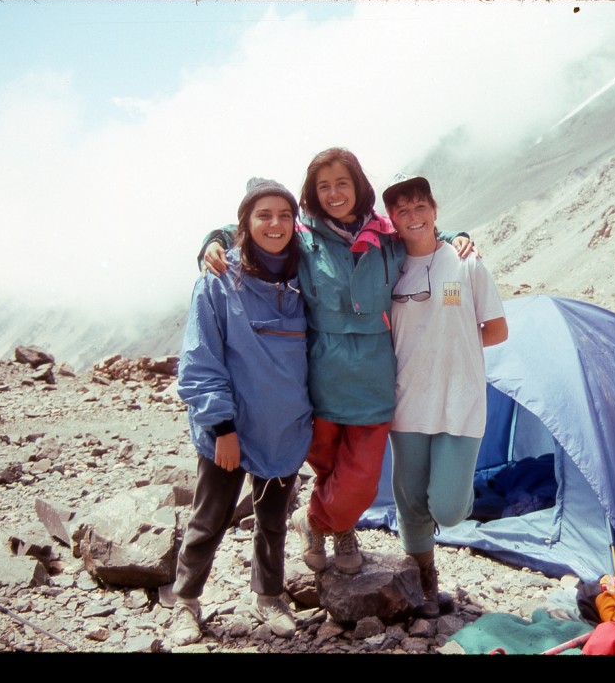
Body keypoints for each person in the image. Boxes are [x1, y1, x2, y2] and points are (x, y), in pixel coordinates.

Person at [197, 148, 475, 576]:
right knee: (327, 466)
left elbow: (423, 235)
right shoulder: (303, 235)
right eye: (324, 186)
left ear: (358, 185)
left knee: (360, 478)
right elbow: (254, 227)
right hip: (319, 373)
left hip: (374, 374)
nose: (334, 193)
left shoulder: (387, 238)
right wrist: (213, 239)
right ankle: (342, 533)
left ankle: (314, 520)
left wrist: (456, 234)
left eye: (342, 183)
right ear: (313, 192)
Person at [170, 177, 312, 646]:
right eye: (263, 215)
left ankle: (270, 595)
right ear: (244, 225)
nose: (275, 224)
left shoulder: (304, 274)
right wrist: (222, 427)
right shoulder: (217, 278)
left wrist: (451, 234)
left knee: (273, 519)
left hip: (284, 426)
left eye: (285, 215)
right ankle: (186, 602)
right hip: (231, 429)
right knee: (209, 517)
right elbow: (200, 360)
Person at [381, 173, 508, 617]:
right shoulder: (388, 268)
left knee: (450, 509)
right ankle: (424, 581)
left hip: (460, 400)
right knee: (410, 500)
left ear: (435, 211)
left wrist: (453, 347)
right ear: (392, 219)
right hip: (407, 403)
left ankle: (446, 514)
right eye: (402, 210)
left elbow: (496, 329)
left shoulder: (466, 262)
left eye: (420, 206)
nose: (412, 216)